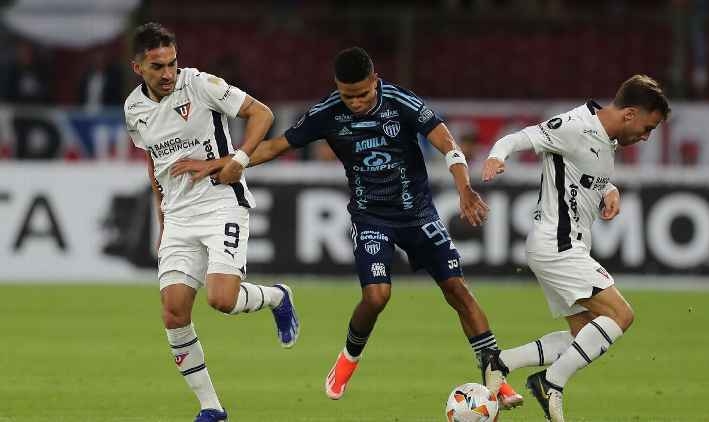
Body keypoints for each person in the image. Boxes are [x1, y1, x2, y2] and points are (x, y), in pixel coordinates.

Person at [173, 46, 522, 408]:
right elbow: (277, 145)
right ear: (338, 88)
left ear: (375, 80)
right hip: (371, 217)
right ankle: (349, 358)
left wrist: (464, 188)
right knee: (377, 296)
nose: (355, 102)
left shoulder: (401, 102)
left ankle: (496, 378)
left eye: (363, 93)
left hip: (418, 213)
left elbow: (447, 142)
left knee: (458, 290)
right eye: (348, 95)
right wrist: (225, 163)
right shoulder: (327, 112)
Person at [123, 23, 300, 422]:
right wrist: (162, 220)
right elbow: (155, 165)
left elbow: (261, 113)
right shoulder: (133, 109)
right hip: (178, 216)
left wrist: (236, 160)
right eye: (157, 67)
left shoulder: (200, 84)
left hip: (221, 202)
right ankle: (211, 407)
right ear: (138, 68)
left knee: (221, 299)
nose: (168, 73)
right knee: (173, 312)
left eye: (172, 63)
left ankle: (277, 297)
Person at [481, 74, 670, 422]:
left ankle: (500, 362)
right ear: (629, 114)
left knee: (584, 337)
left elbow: (585, 170)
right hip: (558, 245)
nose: (646, 136)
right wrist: (497, 155)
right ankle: (550, 382)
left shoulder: (606, 138)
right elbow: (521, 137)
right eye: (648, 127)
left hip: (561, 246)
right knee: (621, 315)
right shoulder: (574, 125)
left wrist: (609, 188)